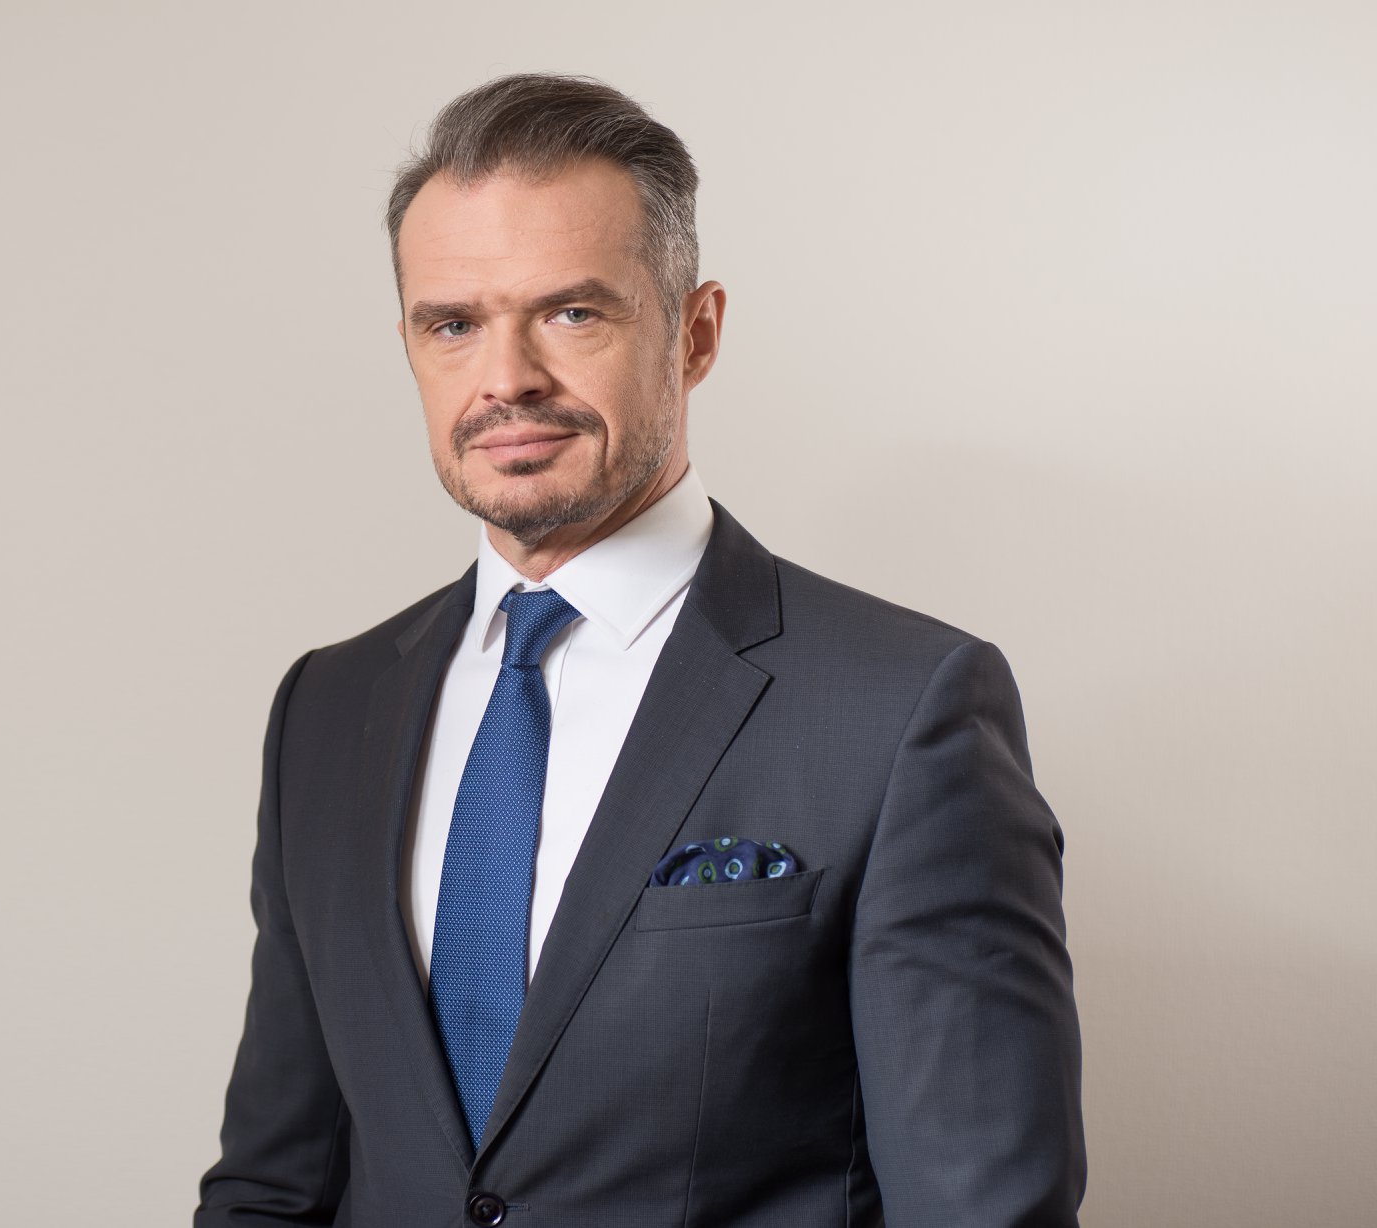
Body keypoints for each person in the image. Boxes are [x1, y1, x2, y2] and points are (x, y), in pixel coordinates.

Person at [195, 73, 1084, 1227]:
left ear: (694, 332)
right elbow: (276, 1183)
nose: (505, 378)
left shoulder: (900, 709)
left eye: (571, 313)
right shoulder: (325, 708)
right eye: (453, 324)